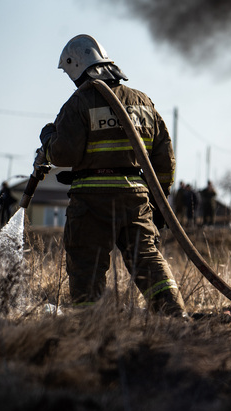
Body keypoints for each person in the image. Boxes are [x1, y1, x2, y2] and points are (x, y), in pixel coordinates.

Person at [37, 34, 186, 316]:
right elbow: (165, 159)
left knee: (86, 262)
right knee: (147, 258)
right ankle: (174, 314)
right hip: (136, 198)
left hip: (92, 202)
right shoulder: (143, 101)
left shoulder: (79, 102)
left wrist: (48, 141)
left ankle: (90, 322)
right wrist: (159, 201)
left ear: (75, 66)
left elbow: (64, 154)